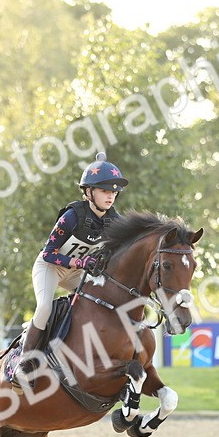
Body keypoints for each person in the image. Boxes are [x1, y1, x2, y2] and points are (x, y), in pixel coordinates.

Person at [17, 152, 128, 380]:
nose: (110, 197)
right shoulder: (72, 217)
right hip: (50, 268)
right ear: (89, 192)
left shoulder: (115, 220)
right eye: (105, 191)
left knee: (104, 304)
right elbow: (48, 254)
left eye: (114, 192)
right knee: (45, 307)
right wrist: (80, 261)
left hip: (77, 273)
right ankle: (25, 361)